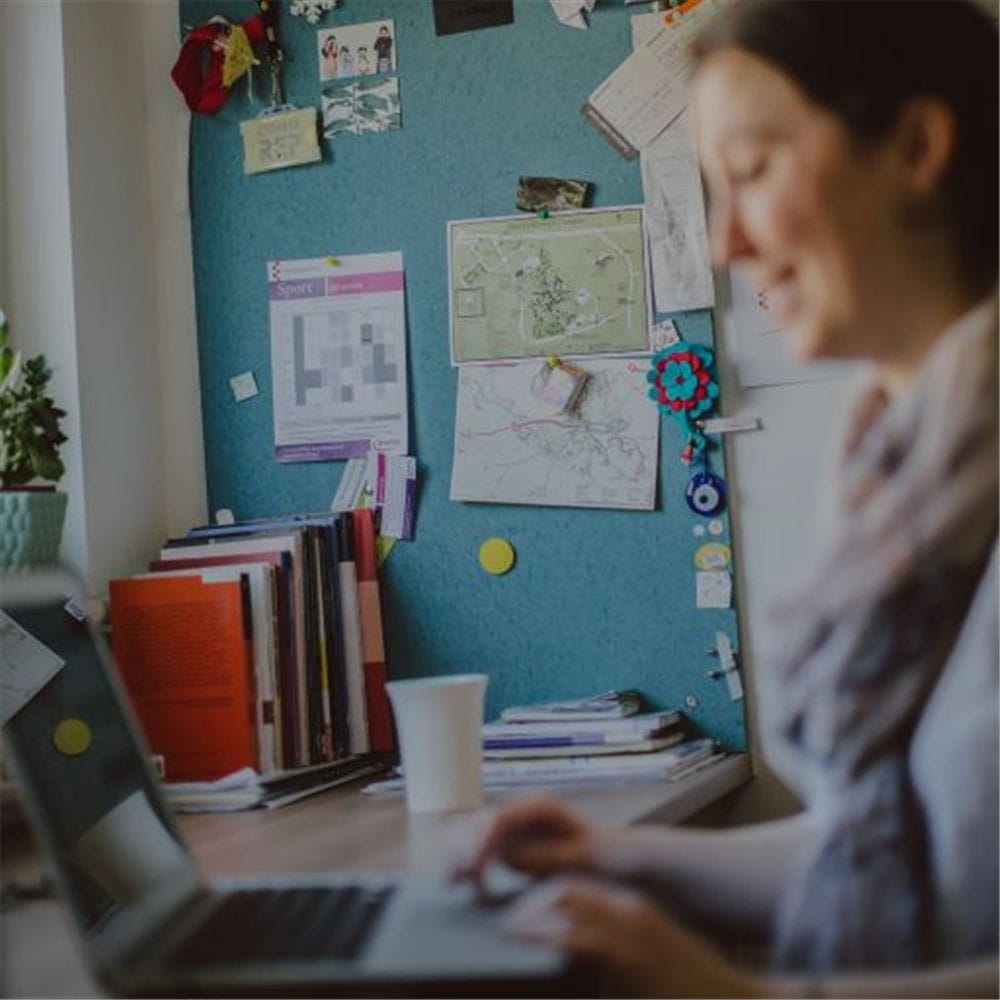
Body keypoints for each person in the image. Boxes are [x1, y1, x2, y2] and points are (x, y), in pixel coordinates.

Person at [457, 2, 998, 996]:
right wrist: (618, 859)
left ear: (916, 146)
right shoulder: (897, 462)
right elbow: (881, 846)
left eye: (751, 172)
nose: (726, 241)